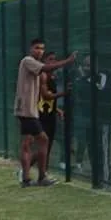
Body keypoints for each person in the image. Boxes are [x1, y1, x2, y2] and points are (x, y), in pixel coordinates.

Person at [14, 39, 76, 187]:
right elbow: (47, 70)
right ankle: (41, 177)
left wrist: (56, 109)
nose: (40, 51)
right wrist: (68, 61)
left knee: (27, 144)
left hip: (29, 110)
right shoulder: (28, 61)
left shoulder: (37, 68)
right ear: (30, 49)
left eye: (42, 49)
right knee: (43, 140)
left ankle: (26, 178)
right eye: (37, 48)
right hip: (27, 110)